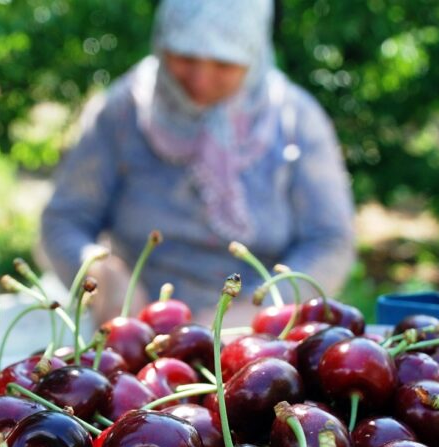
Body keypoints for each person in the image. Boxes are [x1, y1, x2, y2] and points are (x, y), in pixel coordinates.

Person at [40, 0, 356, 327]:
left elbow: (329, 241)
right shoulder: (123, 112)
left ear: (254, 54)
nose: (200, 79)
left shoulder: (295, 120)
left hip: (261, 346)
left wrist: (264, 308)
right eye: (184, 56)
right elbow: (63, 222)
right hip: (136, 330)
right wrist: (101, 273)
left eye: (224, 63)